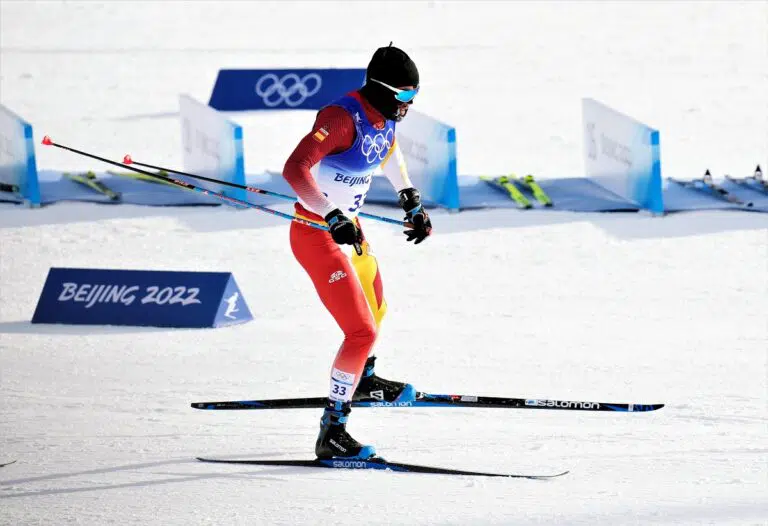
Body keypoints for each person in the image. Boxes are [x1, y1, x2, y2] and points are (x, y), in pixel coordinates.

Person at [282, 44, 432, 460]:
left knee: (376, 308)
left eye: (415, 94)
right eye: (405, 94)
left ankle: (361, 379)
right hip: (316, 233)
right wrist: (331, 213)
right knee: (360, 331)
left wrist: (409, 198)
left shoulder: (384, 115)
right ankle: (332, 431)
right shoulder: (340, 119)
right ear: (381, 89)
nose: (409, 103)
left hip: (350, 230)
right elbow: (295, 169)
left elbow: (387, 148)